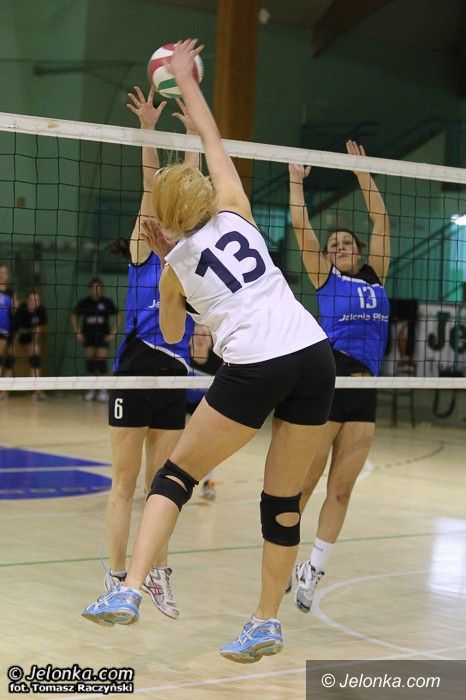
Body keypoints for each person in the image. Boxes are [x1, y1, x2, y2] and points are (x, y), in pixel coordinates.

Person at [82, 39, 335, 664]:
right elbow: (213, 137)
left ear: (165, 220)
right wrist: (187, 79)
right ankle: (265, 622)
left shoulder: (174, 269)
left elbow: (172, 335)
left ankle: (130, 589)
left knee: (174, 475)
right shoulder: (237, 209)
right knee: (281, 501)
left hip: (255, 363)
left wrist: (172, 268)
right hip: (313, 353)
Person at [103, 85, 196, 619]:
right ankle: (117, 575)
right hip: (136, 369)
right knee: (124, 482)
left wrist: (194, 137)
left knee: (163, 486)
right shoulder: (143, 251)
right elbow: (150, 185)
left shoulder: (190, 256)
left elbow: (195, 192)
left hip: (175, 375)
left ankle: (156, 573)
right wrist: (148, 132)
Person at [288, 141, 390, 613]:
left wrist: (362, 172)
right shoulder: (326, 279)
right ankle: (282, 555)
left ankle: (313, 569)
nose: (340, 247)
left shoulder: (375, 276)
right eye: (334, 246)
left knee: (342, 490)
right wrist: (296, 181)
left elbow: (382, 222)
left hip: (365, 391)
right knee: (306, 482)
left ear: (360, 251)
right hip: (329, 384)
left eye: (347, 243)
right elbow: (301, 227)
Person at [186, 323, 222, 499]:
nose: (200, 337)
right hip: (180, 404)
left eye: (205, 335)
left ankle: (209, 483)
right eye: (197, 334)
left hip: (204, 406)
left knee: (210, 442)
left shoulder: (218, 362)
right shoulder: (182, 357)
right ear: (189, 339)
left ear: (211, 341)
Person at [70, 278, 119, 401]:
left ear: (101, 289)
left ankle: (103, 391)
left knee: (101, 362)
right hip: (89, 336)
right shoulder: (85, 302)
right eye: (93, 288)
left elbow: (119, 315)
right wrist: (77, 332)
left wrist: (113, 333)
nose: (96, 290)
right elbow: (73, 315)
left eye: (98, 288)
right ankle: (91, 390)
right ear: (90, 289)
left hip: (102, 336)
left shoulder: (106, 302)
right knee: (90, 363)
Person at [13, 291, 47, 400]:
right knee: (9, 359)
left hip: (30, 339)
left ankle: (37, 390)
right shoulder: (21, 310)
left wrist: (34, 343)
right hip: (17, 337)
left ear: (39, 302)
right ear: (27, 300)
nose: (33, 302)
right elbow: (16, 331)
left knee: (35, 359)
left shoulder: (41, 311)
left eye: (36, 300)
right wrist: (13, 348)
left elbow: (40, 329)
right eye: (31, 300)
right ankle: (3, 391)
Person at [0, 264, 16, 399]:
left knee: (10, 358)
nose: (2, 275)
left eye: (5, 273)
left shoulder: (11, 292)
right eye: (0, 272)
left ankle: (5, 390)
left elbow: (14, 310)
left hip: (9, 328)